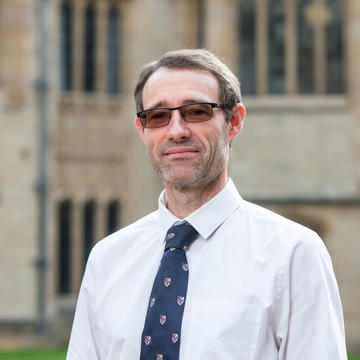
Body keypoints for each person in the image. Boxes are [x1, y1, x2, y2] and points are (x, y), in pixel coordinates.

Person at [66, 49, 347, 359]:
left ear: (234, 122)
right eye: (159, 116)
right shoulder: (107, 259)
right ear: (142, 131)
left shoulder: (292, 253)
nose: (176, 131)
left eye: (196, 112)